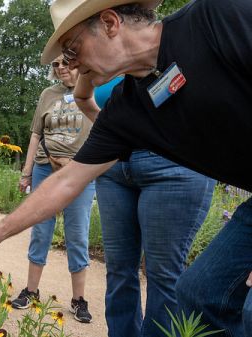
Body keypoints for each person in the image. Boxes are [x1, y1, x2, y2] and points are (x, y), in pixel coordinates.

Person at [0, 0, 252, 335]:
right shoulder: (126, 109)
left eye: (73, 49)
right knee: (201, 295)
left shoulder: (218, 16)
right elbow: (67, 181)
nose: (72, 64)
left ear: (109, 23)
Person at [78, 77, 215, 337]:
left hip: (173, 165)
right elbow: (83, 98)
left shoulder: (177, 43)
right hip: (113, 166)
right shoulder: (107, 60)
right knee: (118, 271)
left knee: (163, 275)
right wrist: (115, 134)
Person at [12, 56, 95, 323]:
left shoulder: (93, 88)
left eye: (66, 62)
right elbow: (36, 134)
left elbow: (103, 131)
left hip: (79, 171)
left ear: (78, 63)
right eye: (55, 64)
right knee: (41, 230)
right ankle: (31, 291)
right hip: (45, 170)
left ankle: (78, 300)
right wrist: (26, 173)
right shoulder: (48, 94)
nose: (60, 67)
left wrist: (79, 163)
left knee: (77, 234)